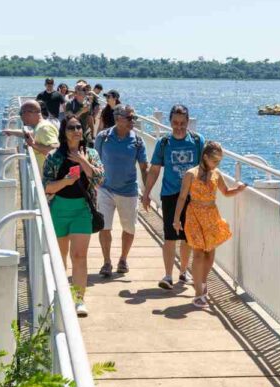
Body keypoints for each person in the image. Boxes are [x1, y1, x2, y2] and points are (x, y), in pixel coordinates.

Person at [42, 113, 104, 317]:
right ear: (64, 132)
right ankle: (60, 295)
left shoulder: (91, 154)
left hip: (82, 210)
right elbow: (46, 187)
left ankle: (79, 300)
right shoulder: (54, 156)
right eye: (71, 127)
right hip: (59, 209)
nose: (76, 130)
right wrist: (66, 182)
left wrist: (82, 161)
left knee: (79, 256)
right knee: (60, 257)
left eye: (79, 127)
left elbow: (99, 179)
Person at [172, 141, 246, 307]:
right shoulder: (191, 174)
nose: (217, 164)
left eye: (219, 161)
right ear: (205, 157)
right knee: (198, 253)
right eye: (214, 160)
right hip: (194, 215)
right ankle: (198, 292)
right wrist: (176, 219)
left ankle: (203, 282)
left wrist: (238, 189)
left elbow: (225, 192)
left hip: (211, 215)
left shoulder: (216, 173)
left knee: (210, 253)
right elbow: (182, 197)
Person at [141, 104, 205, 289]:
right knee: (169, 236)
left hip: (192, 196)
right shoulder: (164, 143)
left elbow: (205, 168)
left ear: (188, 122)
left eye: (182, 123)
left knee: (188, 237)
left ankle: (183, 272)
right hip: (170, 194)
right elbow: (154, 170)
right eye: (175, 123)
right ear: (170, 122)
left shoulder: (197, 140)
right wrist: (146, 193)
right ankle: (168, 275)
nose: (179, 127)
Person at [94, 105, 148, 277]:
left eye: (134, 118)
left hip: (128, 190)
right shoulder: (103, 137)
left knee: (129, 228)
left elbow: (144, 168)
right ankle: (106, 262)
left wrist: (147, 193)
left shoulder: (137, 141)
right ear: (118, 119)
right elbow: (95, 161)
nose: (133, 121)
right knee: (104, 227)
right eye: (130, 118)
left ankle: (123, 259)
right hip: (105, 188)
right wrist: (92, 185)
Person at [2, 100, 59, 173]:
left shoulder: (44, 128)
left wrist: (33, 144)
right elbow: (30, 134)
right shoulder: (40, 127)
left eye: (21, 113)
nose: (21, 117)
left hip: (46, 176)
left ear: (28, 113)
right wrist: (11, 132)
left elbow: (54, 149)